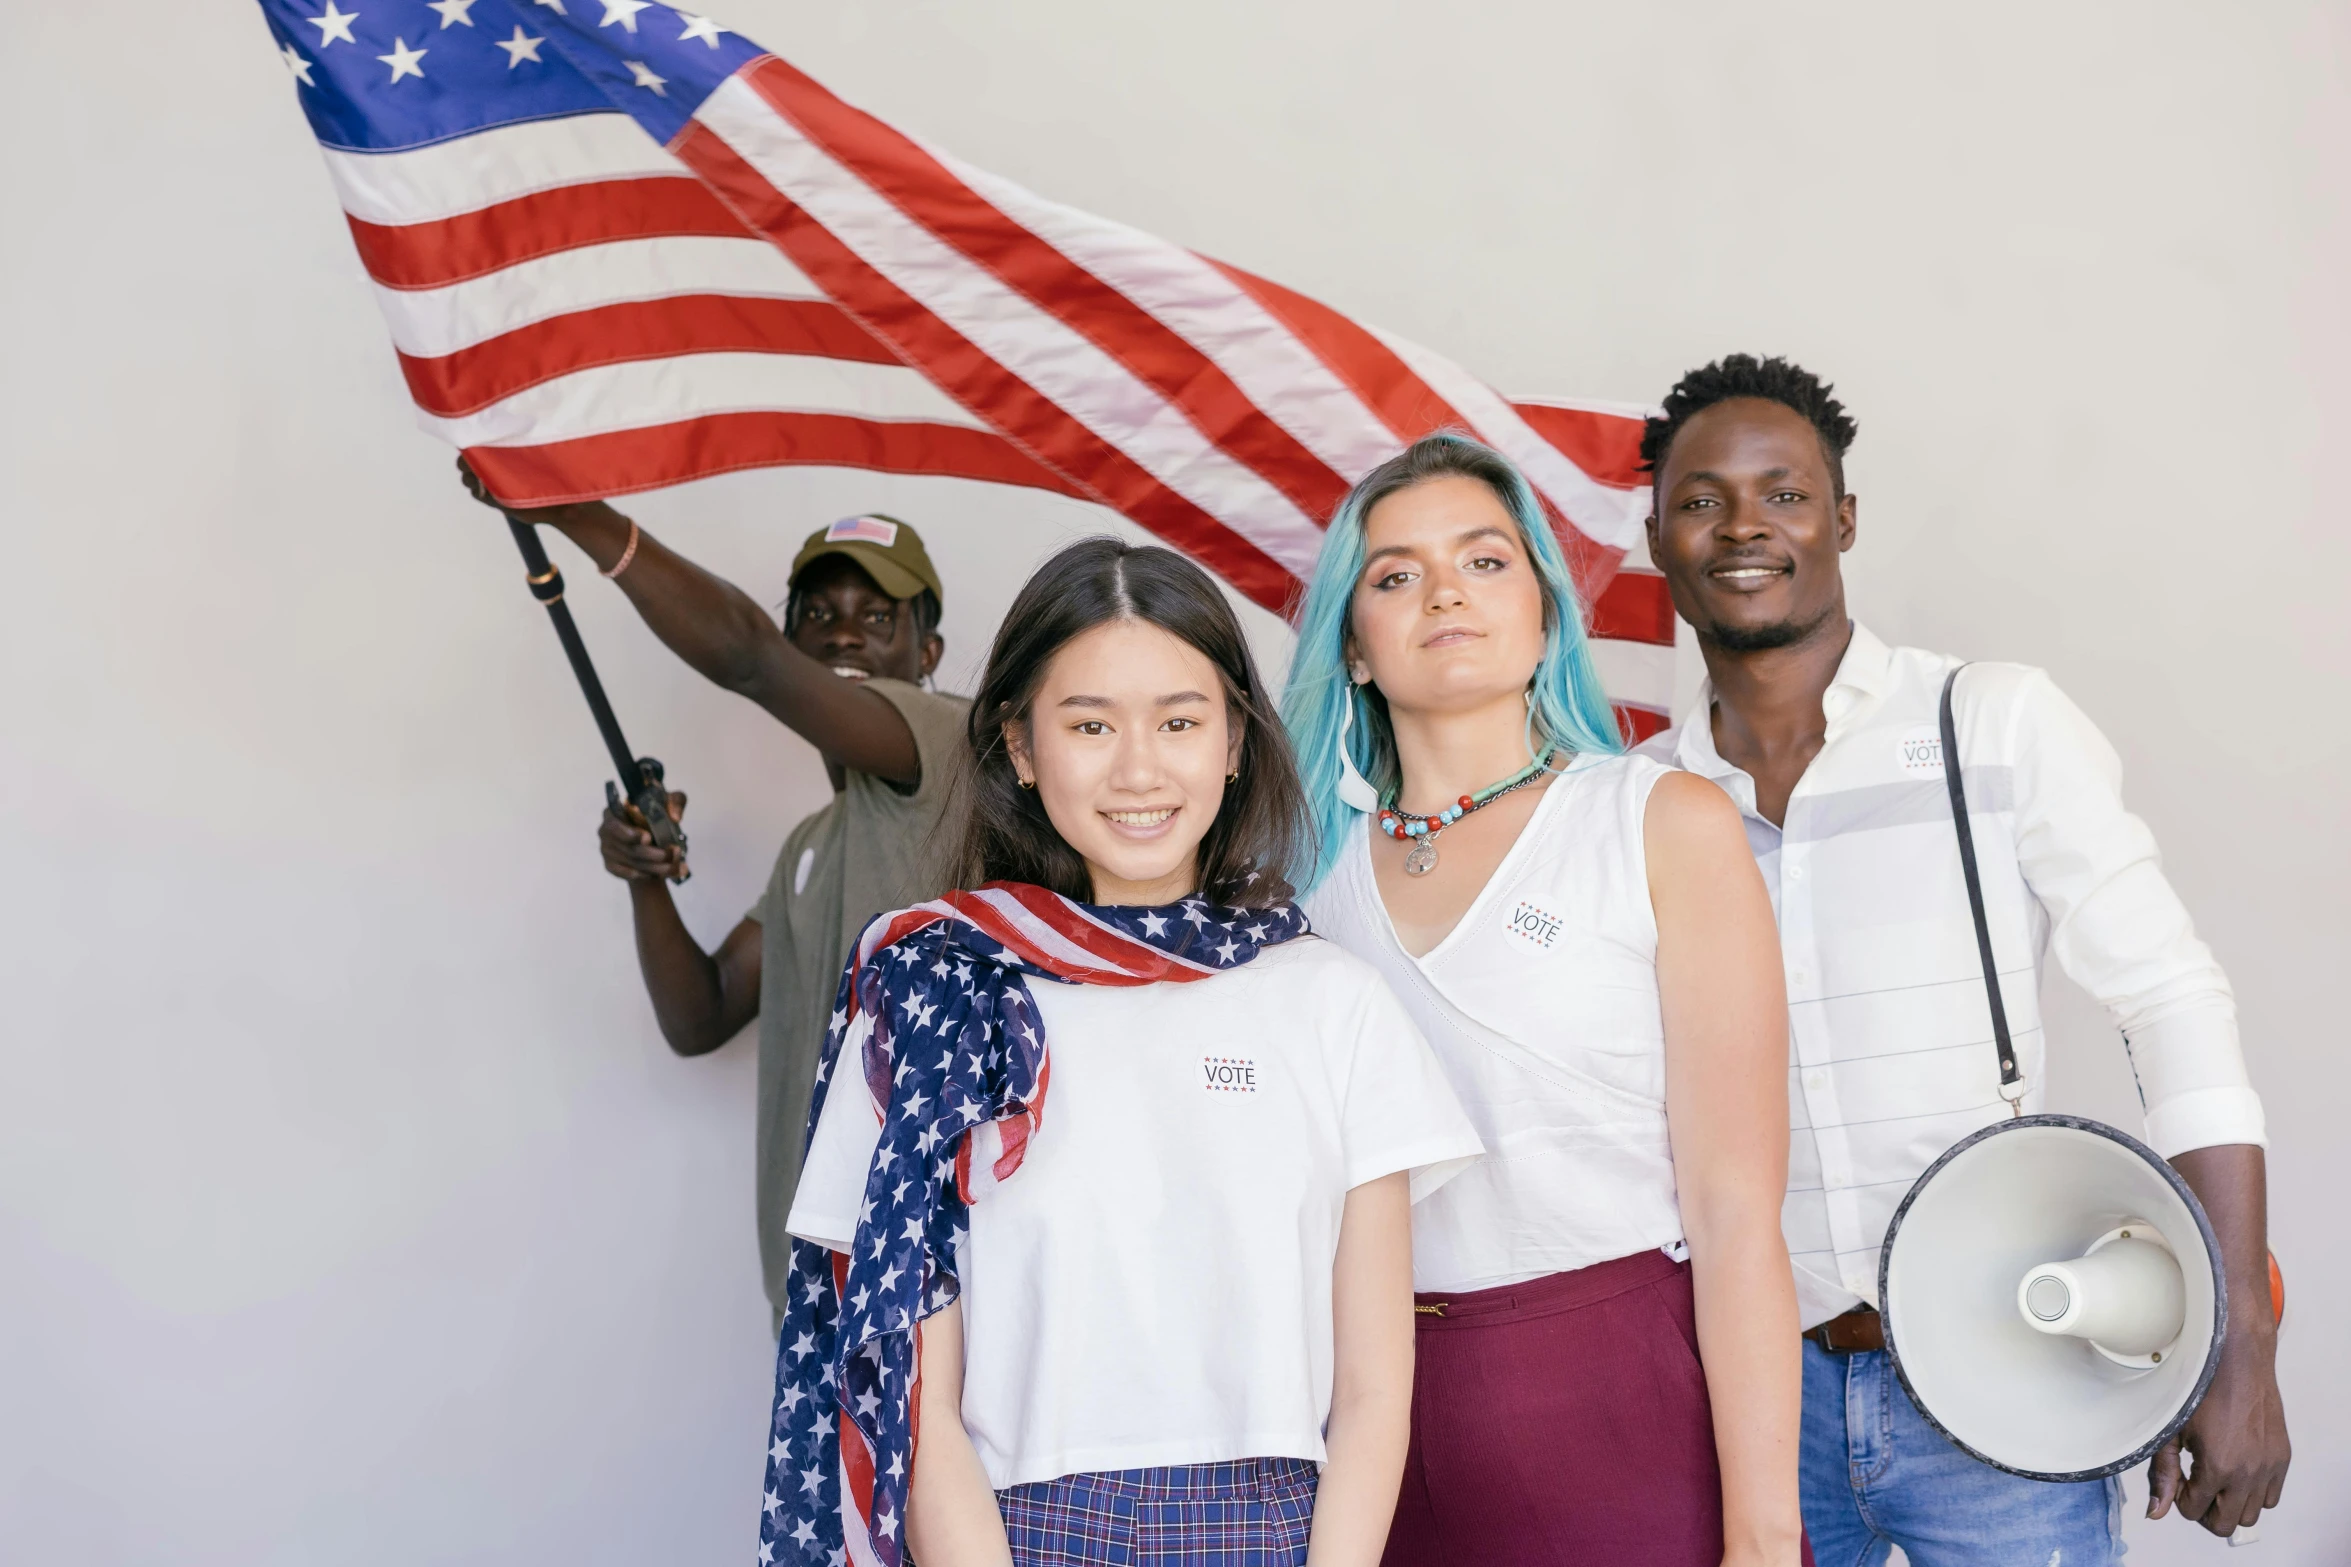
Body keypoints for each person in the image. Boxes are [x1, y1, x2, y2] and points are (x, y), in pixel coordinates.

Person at [1635, 354, 2291, 1561]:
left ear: (1840, 519)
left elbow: (2167, 995)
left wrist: (2233, 1332)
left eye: (1781, 492)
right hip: (1744, 1395)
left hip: (1999, 1376)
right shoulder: (1641, 801)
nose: (1741, 526)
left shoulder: (1987, 722)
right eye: (1698, 499)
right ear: (1654, 537)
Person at [767, 538, 1483, 1567]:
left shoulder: (1331, 1003)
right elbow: (911, 1401)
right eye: (1089, 723)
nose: (1138, 768)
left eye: (1179, 722)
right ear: (1019, 745)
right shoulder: (930, 998)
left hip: (1281, 1532)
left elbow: (1374, 1389)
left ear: (1234, 739)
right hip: (1013, 1535)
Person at [1280, 433, 1808, 1567]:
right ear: (1354, 646)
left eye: (1482, 560)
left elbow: (1732, 1210)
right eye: (1393, 575)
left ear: (1545, 613)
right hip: (1365, 1429)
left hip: (1614, 1394)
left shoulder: (1655, 822)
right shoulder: (1297, 889)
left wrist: (1763, 1536)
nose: (1441, 594)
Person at [460, 463, 968, 1328]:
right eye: (817, 617)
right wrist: (644, 876)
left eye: (877, 618)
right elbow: (701, 1016)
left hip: (927, 1288)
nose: (844, 637)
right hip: (813, 1293)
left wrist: (580, 510)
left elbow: (745, 659)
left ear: (927, 654)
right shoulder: (811, 847)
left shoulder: (949, 745)